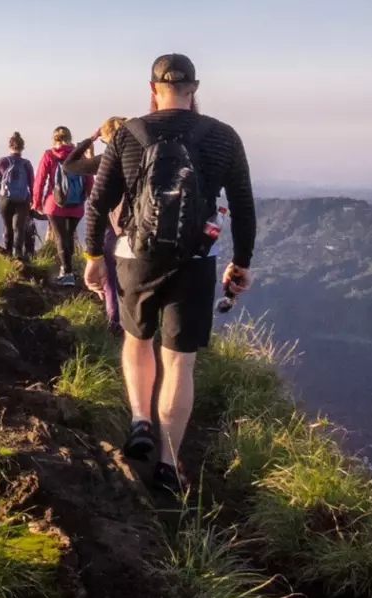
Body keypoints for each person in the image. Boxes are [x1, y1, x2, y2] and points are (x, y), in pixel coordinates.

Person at [82, 56, 254, 497]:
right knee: (180, 360)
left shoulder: (128, 134)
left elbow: (99, 201)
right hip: (195, 261)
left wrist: (91, 256)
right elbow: (243, 207)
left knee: (137, 340)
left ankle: (140, 419)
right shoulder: (223, 137)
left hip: (135, 257)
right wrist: (242, 264)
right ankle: (169, 463)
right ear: (194, 88)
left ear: (152, 88)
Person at [65, 116, 129, 328]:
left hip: (113, 224)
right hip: (140, 226)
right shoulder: (140, 156)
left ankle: (114, 321)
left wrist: (90, 139)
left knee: (109, 273)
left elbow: (70, 165)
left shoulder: (105, 161)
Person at [33, 126, 87, 285]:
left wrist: (36, 202)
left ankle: (68, 273)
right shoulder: (79, 154)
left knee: (60, 237)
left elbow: (40, 180)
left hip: (55, 204)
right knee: (69, 235)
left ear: (54, 139)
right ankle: (68, 269)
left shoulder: (49, 155)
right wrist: (88, 198)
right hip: (77, 204)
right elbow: (89, 179)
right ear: (69, 138)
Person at [0, 133, 36, 261]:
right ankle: (18, 255)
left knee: (7, 227)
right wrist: (34, 200)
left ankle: (8, 254)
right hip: (22, 200)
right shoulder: (26, 164)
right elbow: (32, 184)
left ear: (9, 146)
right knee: (18, 228)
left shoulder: (2, 162)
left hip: (5, 200)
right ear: (22, 147)